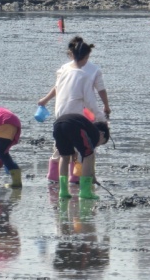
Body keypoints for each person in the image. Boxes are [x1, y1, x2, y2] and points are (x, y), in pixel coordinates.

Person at [38, 37, 107, 183]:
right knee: (86, 152)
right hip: (75, 119)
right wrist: (101, 118)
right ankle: (80, 183)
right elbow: (90, 102)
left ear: (72, 54)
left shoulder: (63, 71)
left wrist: (45, 100)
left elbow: (57, 89)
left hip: (60, 118)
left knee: (64, 153)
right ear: (86, 57)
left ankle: (60, 186)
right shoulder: (85, 75)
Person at [52, 113, 110, 200]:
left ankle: (63, 191)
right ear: (102, 134)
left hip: (58, 124)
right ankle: (85, 192)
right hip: (72, 125)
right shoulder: (95, 134)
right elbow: (90, 156)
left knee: (64, 157)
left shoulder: (87, 127)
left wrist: (72, 152)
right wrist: (92, 176)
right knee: (88, 155)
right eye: (101, 143)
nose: (97, 145)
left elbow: (74, 141)